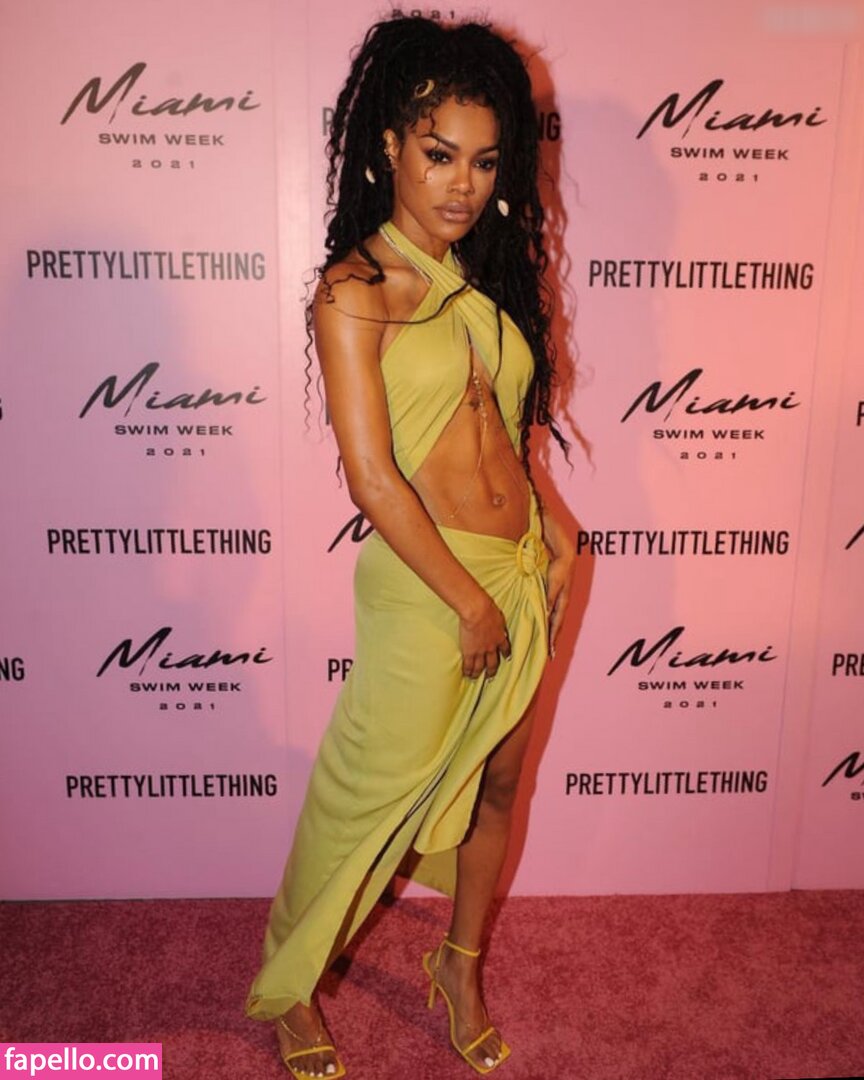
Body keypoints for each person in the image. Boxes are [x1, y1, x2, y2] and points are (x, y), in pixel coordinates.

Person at [245, 15, 574, 1078]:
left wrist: (556, 533)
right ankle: (290, 985)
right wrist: (467, 602)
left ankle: (459, 968)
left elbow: (504, 437)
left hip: (521, 573)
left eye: (484, 161)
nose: (462, 184)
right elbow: (373, 477)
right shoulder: (355, 291)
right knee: (362, 795)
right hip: (431, 590)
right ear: (390, 145)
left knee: (502, 788)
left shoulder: (484, 283)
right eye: (439, 154)